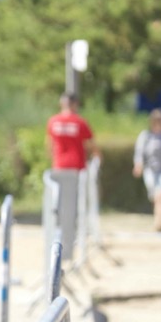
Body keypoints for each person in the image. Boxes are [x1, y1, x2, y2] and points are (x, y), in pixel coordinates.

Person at [46, 92, 100, 258]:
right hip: (75, 169)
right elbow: (92, 145)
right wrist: (98, 158)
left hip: (58, 167)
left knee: (57, 208)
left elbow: (49, 145)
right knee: (73, 210)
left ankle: (57, 243)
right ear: (75, 104)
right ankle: (68, 247)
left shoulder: (53, 121)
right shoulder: (80, 122)